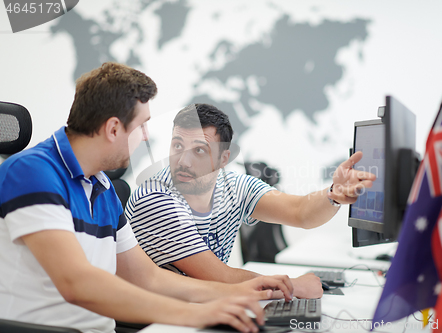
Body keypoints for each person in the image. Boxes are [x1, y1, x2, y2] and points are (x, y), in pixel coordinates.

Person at [0, 63, 294, 333]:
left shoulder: (100, 184)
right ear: (114, 128)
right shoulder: (31, 173)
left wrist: (241, 291)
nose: (145, 136)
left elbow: (147, 277)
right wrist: (194, 314)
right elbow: (77, 283)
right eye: (141, 125)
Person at [125, 103, 376, 299]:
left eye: (199, 150)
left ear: (223, 159)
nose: (183, 161)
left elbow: (300, 212)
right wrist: (294, 286)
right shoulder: (156, 199)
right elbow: (218, 277)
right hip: (158, 324)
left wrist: (333, 194)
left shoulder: (234, 185)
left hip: (205, 308)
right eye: (177, 145)